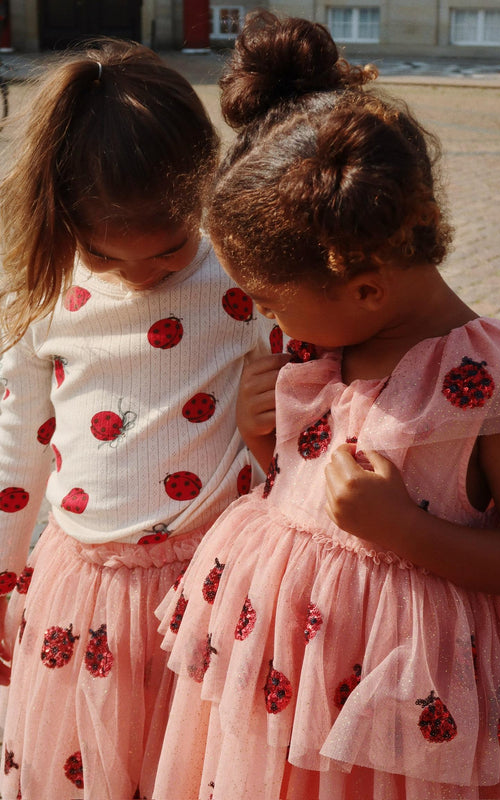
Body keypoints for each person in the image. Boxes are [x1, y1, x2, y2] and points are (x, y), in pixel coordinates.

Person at [153, 11, 500, 800]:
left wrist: (408, 533)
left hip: (400, 720)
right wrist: (264, 443)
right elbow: (307, 493)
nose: (264, 315)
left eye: (268, 298)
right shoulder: (317, 348)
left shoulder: (497, 387)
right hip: (285, 688)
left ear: (364, 288)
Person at [0, 38, 281, 800]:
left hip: (212, 589)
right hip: (79, 593)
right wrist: (3, 579)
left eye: (168, 248)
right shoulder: (45, 295)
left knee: (188, 772)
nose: (146, 272)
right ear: (63, 218)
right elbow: (16, 454)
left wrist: (274, 430)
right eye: (110, 255)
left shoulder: (246, 279)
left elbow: (304, 413)